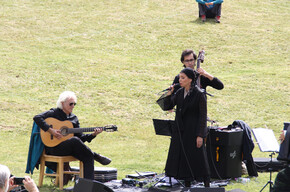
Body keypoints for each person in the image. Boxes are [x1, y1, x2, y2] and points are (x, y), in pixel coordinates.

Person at [33, 91, 111, 180]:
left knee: (87, 156)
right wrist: (51, 131)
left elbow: (80, 138)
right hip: (53, 148)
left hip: (69, 148)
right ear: (62, 103)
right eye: (71, 104)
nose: (73, 106)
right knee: (75, 141)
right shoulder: (53, 113)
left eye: (74, 104)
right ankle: (95, 155)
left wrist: (93, 134)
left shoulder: (74, 118)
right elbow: (37, 117)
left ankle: (88, 186)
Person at [163, 68, 210, 187]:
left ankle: (206, 182)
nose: (180, 80)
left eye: (183, 78)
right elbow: (168, 105)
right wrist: (169, 93)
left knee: (198, 157)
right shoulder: (179, 92)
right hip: (181, 130)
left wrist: (200, 135)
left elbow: (202, 116)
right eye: (179, 77)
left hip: (193, 131)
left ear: (190, 79)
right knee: (183, 158)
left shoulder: (199, 94)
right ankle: (187, 183)